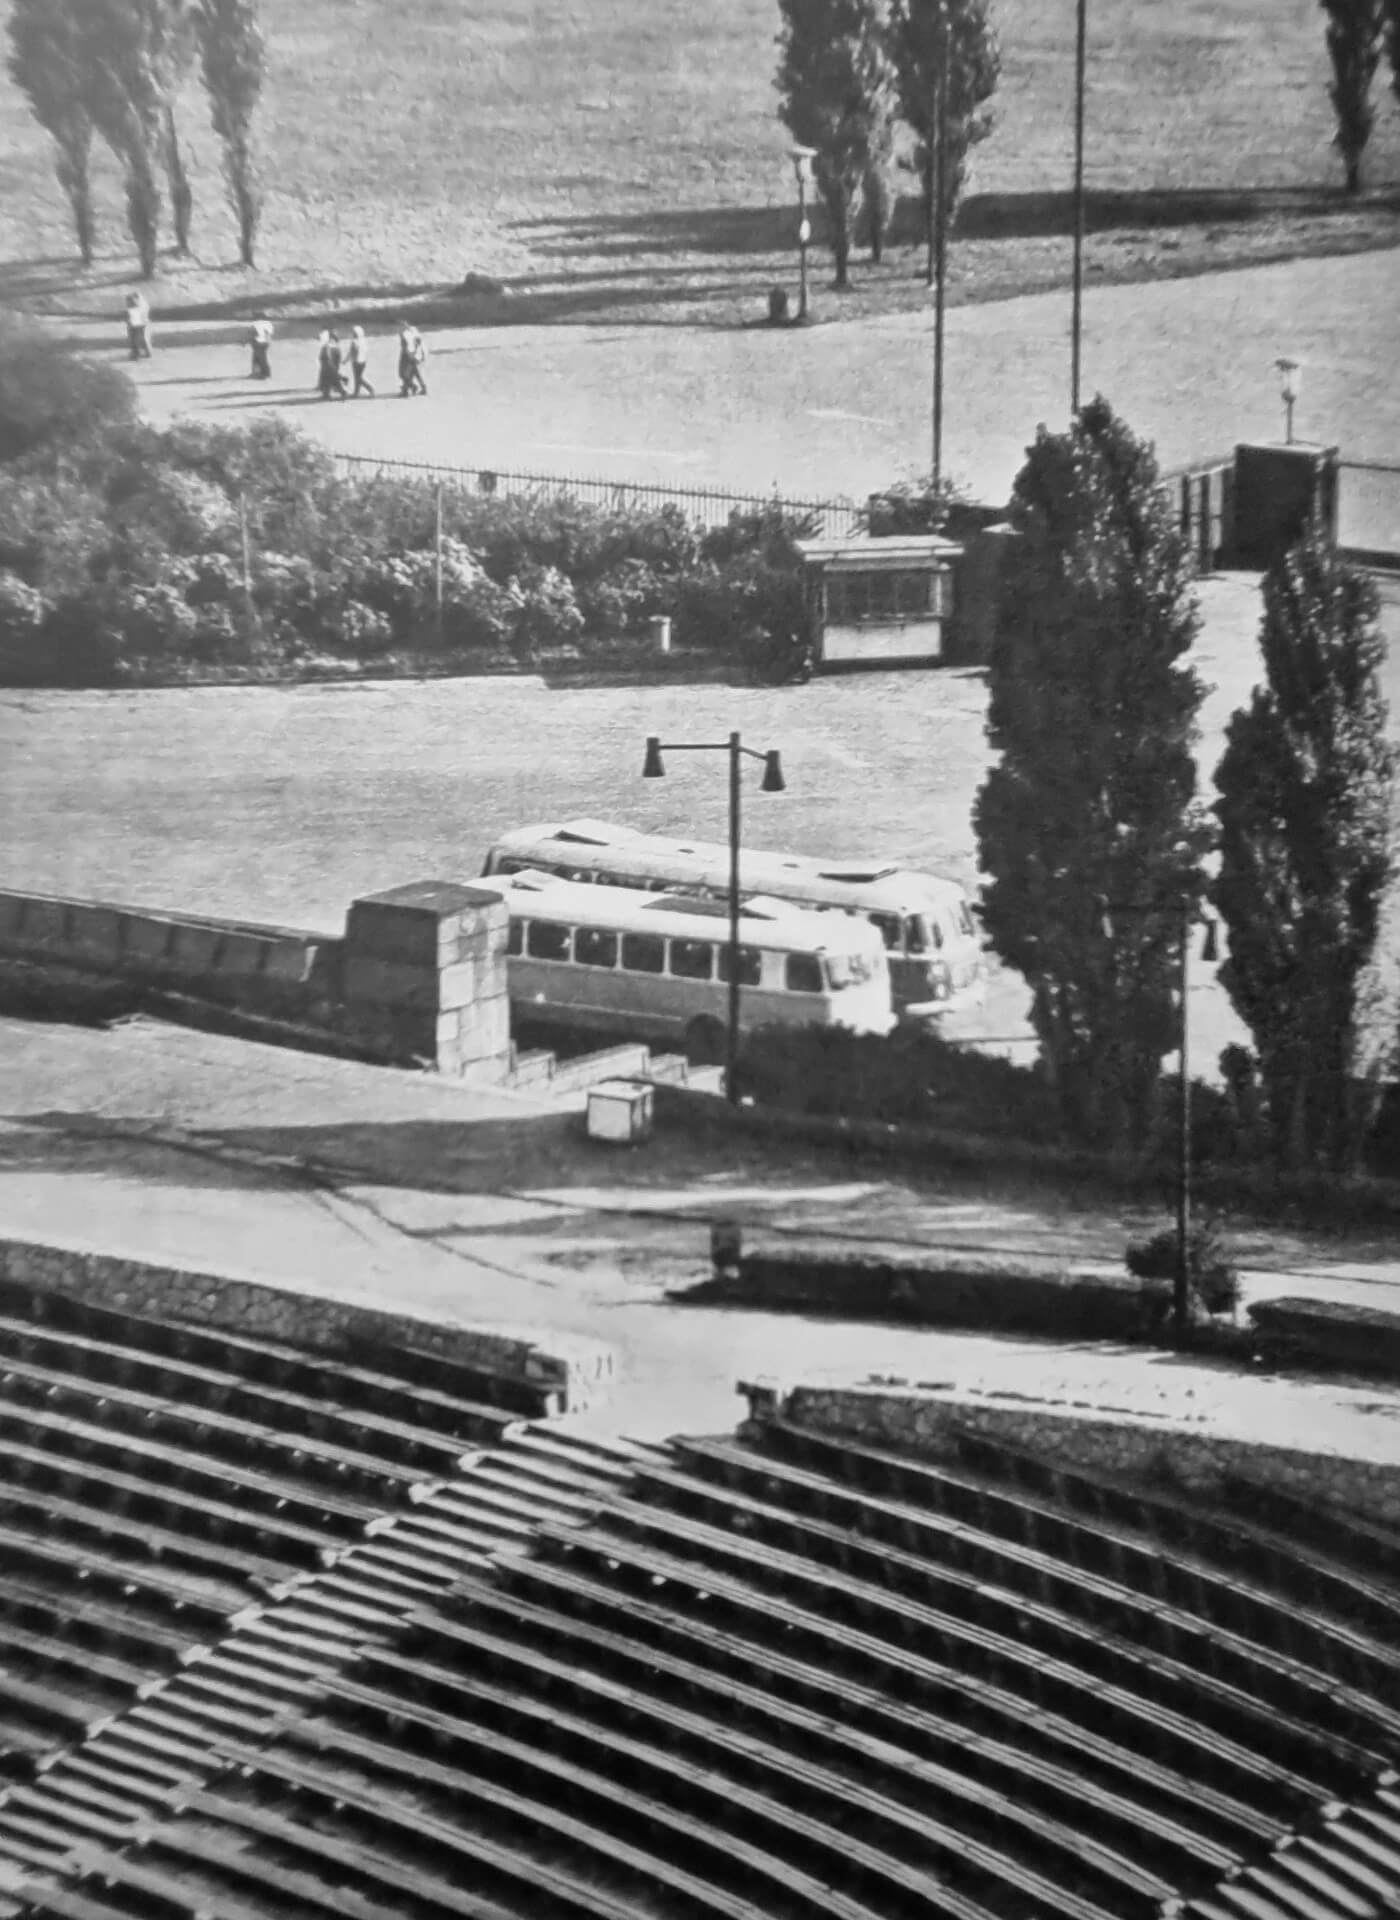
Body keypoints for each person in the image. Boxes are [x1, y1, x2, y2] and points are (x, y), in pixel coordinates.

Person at [398, 321, 427, 397]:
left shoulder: (403, 334)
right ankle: (423, 388)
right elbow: (419, 341)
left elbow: (404, 346)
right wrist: (420, 353)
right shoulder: (414, 330)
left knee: (403, 373)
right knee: (415, 371)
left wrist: (409, 354)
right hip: (415, 353)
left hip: (407, 355)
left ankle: (407, 390)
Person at [348, 325, 374, 397]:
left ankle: (370, 388)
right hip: (363, 361)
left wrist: (345, 360)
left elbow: (351, 352)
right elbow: (365, 351)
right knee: (358, 377)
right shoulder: (363, 340)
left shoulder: (354, 341)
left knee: (358, 378)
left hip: (356, 362)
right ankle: (356, 392)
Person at [124, 292, 151, 360]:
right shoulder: (143, 306)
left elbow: (132, 318)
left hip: (138, 324)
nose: (127, 304)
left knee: (135, 339)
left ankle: (136, 353)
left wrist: (129, 322)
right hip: (141, 324)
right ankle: (145, 352)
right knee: (142, 339)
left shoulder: (137, 306)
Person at [249, 314, 273, 380]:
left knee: (259, 358)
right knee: (261, 358)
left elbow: (253, 333)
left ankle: (264, 374)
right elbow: (268, 333)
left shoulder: (255, 324)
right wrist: (268, 341)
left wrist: (250, 340)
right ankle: (261, 373)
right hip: (266, 342)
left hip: (257, 342)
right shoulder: (269, 323)